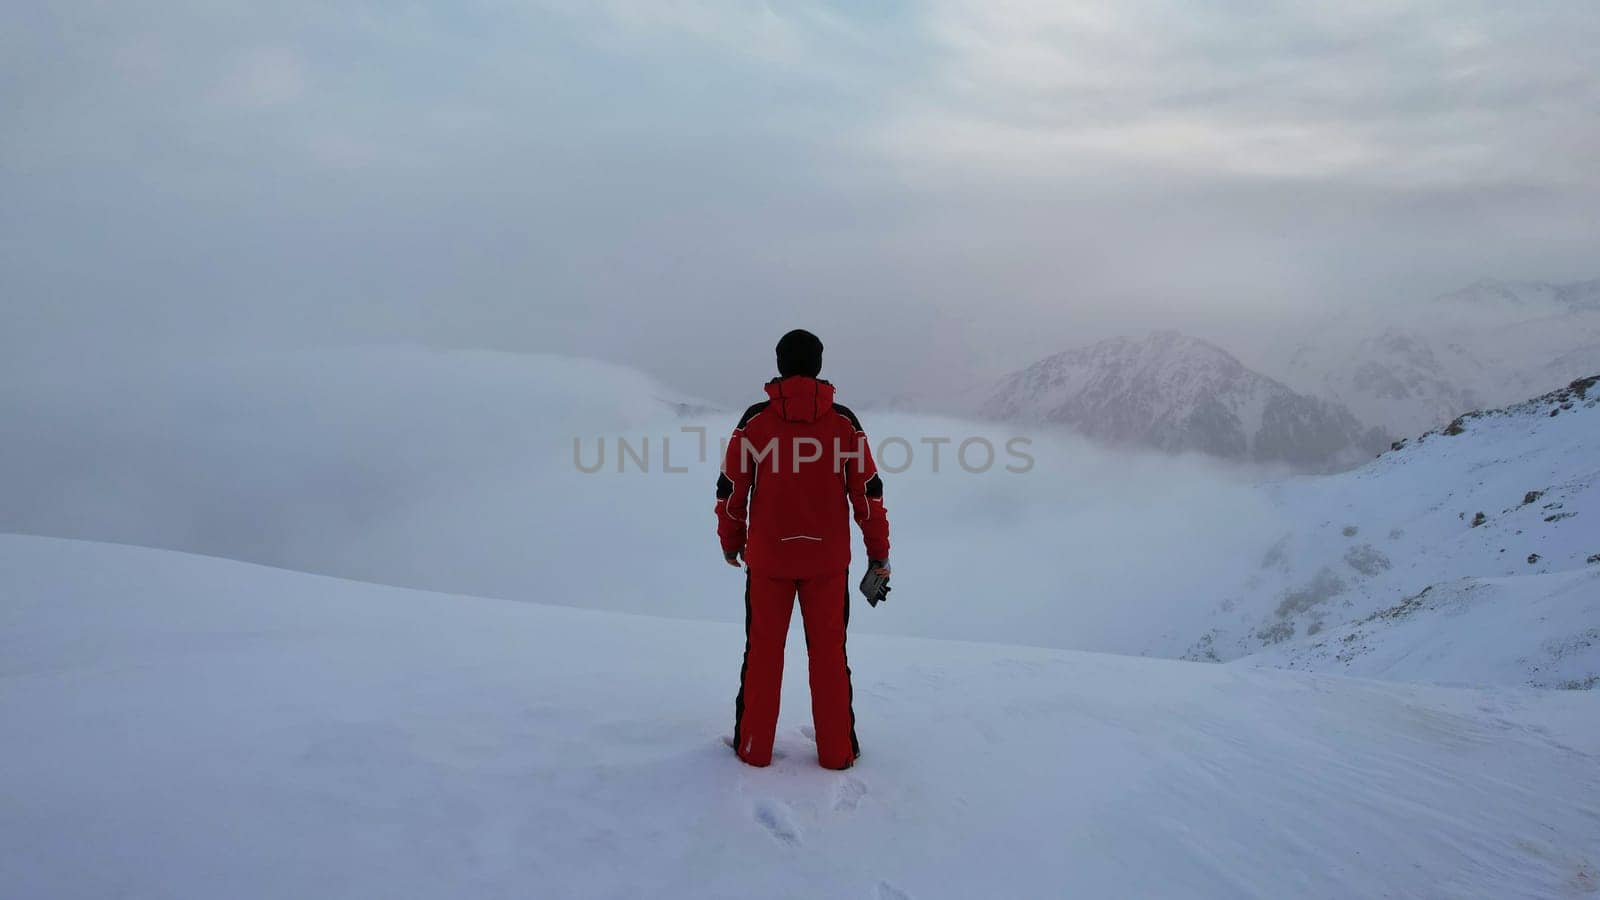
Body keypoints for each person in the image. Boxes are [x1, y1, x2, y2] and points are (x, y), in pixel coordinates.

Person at [715, 328, 891, 770]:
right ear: (818, 364)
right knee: (830, 657)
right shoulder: (844, 422)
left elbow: (731, 489)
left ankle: (753, 750)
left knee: (763, 654)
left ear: (779, 364)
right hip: (827, 564)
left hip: (769, 561)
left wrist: (731, 541)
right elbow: (868, 493)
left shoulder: (754, 422)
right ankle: (836, 753)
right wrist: (879, 554)